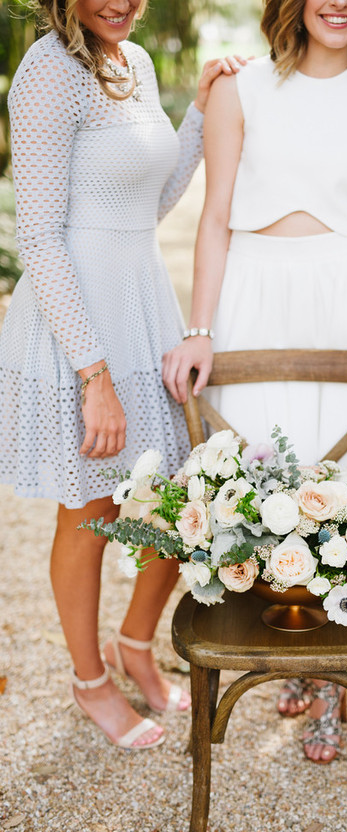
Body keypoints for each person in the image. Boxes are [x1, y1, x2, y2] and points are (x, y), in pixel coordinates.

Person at [162, 0, 347, 762]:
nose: (338, 3)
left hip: (345, 296)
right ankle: (277, 633)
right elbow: (213, 219)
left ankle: (333, 687)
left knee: (340, 478)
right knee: (260, 476)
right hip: (254, 290)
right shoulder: (238, 90)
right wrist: (201, 327)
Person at [0, 0, 246, 749]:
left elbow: (150, 201)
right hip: (77, 323)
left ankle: (135, 644)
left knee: (178, 499)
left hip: (144, 308)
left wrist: (200, 115)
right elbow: (38, 236)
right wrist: (92, 374)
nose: (123, 3)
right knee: (91, 508)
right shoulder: (47, 70)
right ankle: (89, 682)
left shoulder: (132, 62)